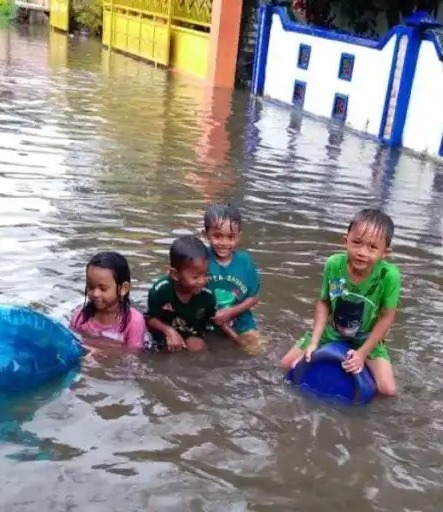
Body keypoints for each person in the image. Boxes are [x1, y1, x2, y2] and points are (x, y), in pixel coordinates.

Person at [281, 208, 401, 396]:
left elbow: (387, 318)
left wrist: (362, 354)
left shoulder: (389, 276)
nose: (362, 252)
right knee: (286, 365)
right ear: (345, 241)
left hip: (365, 337)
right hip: (334, 332)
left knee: (388, 391)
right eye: (357, 243)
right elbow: (325, 303)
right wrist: (313, 343)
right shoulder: (335, 265)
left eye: (372, 248)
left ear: (385, 253)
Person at [203, 204, 261, 353]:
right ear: (205, 234)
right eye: (217, 236)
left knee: (255, 351)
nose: (224, 243)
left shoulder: (245, 261)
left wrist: (230, 312)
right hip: (206, 323)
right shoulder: (201, 259)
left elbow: (253, 299)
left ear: (239, 236)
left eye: (230, 237)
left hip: (241, 321)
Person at [146, 235, 216, 352]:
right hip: (165, 332)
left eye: (205, 274)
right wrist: (168, 331)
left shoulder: (207, 295)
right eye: (195, 277)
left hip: (191, 333)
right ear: (175, 275)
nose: (202, 281)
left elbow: (210, 323)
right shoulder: (160, 291)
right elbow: (149, 319)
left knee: (198, 347)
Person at [69, 251, 146, 352]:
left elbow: (134, 358)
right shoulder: (80, 317)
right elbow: (69, 343)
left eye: (103, 289)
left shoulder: (134, 322)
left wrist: (100, 352)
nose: (96, 294)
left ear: (123, 288)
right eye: (91, 287)